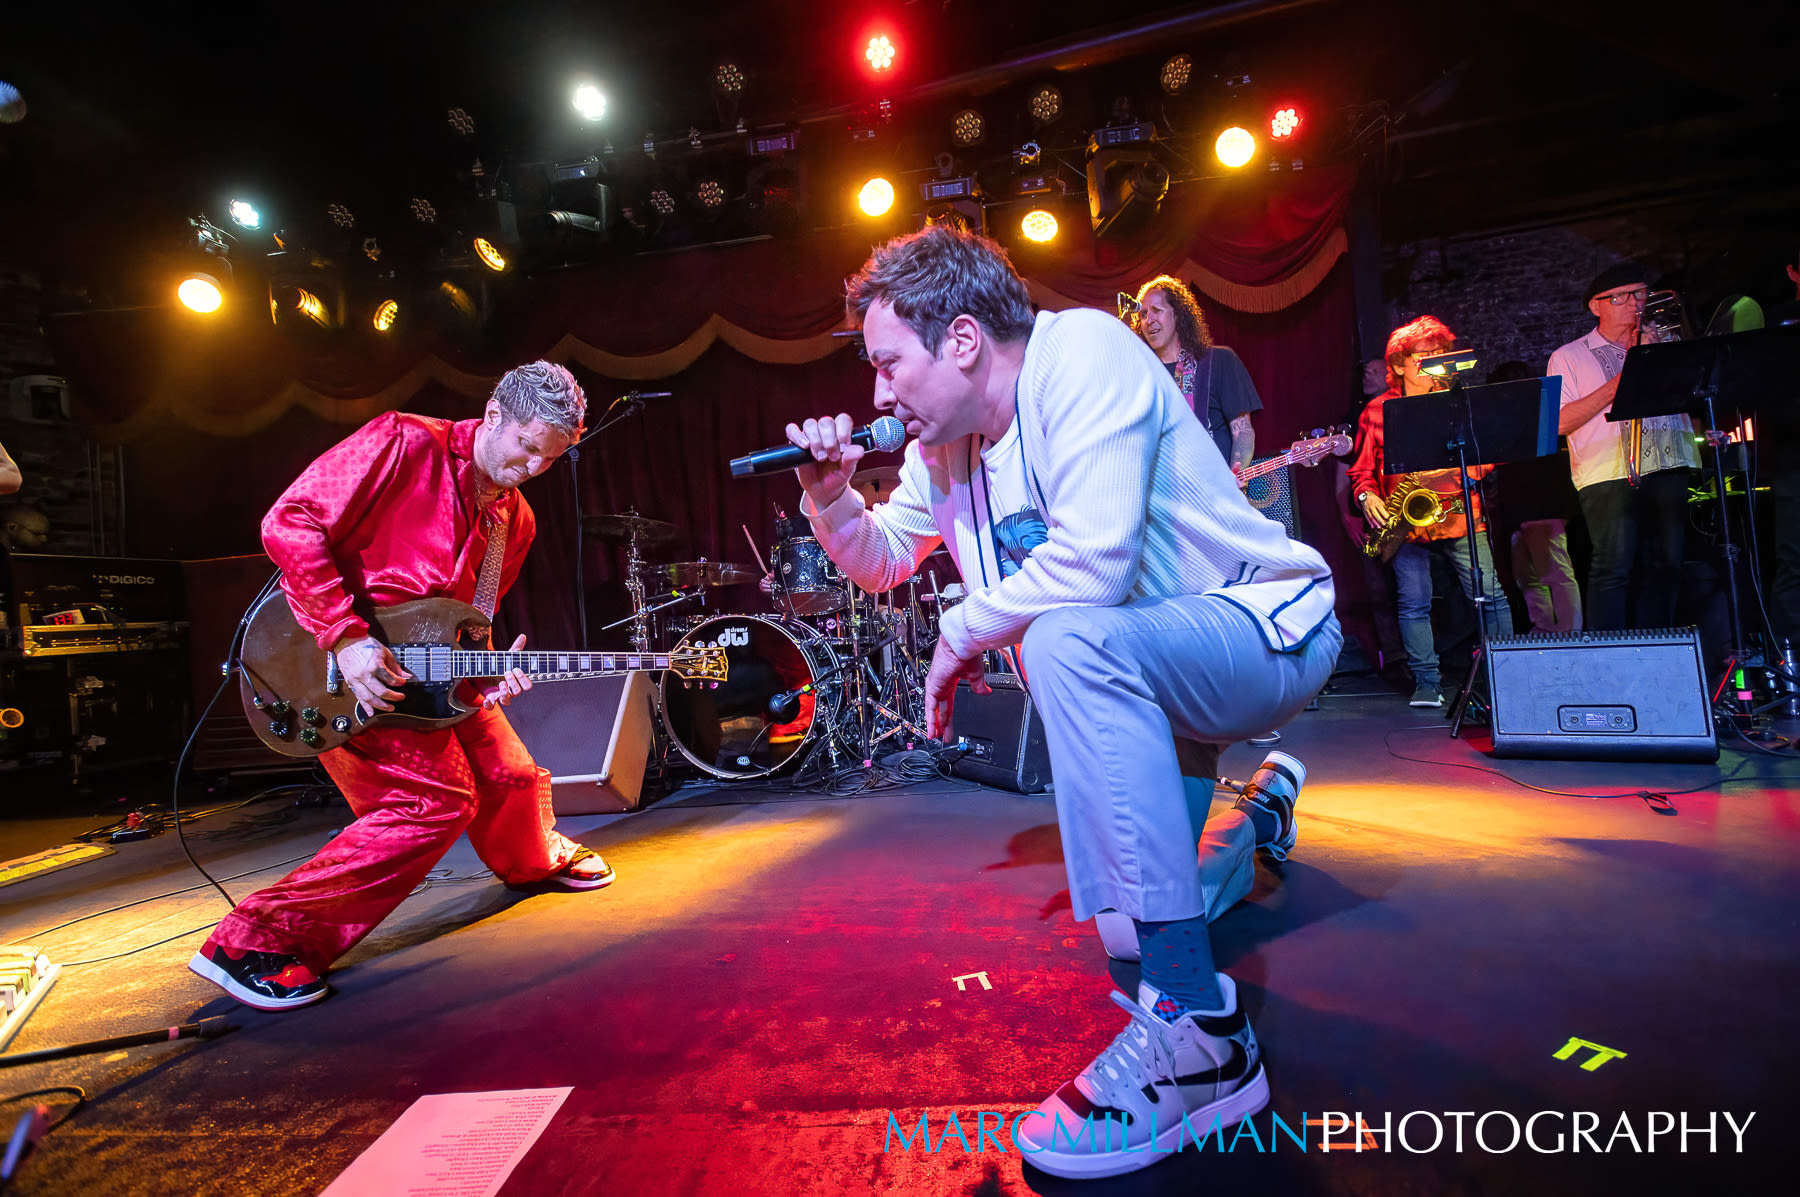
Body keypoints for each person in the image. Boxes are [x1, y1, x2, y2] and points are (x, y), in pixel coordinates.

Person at [786, 225, 1339, 1177]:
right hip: (1156, 676)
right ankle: (1260, 813)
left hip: (1259, 627)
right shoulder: (943, 451)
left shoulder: (1078, 349)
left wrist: (959, 634)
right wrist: (831, 498)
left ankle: (1202, 1036)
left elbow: (1094, 560)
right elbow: (881, 564)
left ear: (962, 341)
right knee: (1143, 909)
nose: (876, 393)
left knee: (1064, 635)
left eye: (888, 363)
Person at [188, 361, 614, 1013]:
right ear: (494, 415)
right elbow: (288, 524)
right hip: (329, 663)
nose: (531, 468)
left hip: (426, 677)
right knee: (436, 802)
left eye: (549, 459)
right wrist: (345, 635)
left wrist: (487, 668)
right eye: (527, 447)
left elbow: (468, 623)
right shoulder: (400, 441)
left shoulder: (514, 522)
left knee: (513, 776)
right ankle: (251, 942)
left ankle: (530, 860)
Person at [1347, 316, 1509, 708]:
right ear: (1399, 364)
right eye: (1425, 356)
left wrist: (1463, 470)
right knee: (1414, 602)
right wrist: (1368, 497)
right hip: (1406, 518)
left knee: (1491, 596)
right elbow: (1361, 471)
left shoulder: (1456, 401)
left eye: (1440, 354)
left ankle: (1509, 675)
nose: (1435, 362)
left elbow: (1488, 459)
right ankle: (1426, 683)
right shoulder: (1377, 410)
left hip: (1459, 512)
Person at [1547, 263, 1700, 630]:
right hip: (1608, 473)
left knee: (1668, 563)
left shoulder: (1664, 344)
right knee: (1613, 567)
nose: (1634, 304)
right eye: (1619, 297)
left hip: (1669, 462)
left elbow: (1693, 398)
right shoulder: (1570, 356)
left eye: (1640, 293)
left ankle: (1661, 647)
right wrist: (1625, 375)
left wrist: (1662, 356)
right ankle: (1610, 655)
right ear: (1595, 306)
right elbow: (1560, 422)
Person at [1128, 275, 1262, 475]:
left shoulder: (1219, 361)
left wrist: (1234, 476)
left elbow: (1242, 432)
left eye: (1157, 310)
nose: (1149, 320)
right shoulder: (1141, 378)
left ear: (1179, 315)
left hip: (1213, 492)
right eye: (1144, 314)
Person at [1486, 361, 1583, 634]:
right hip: (1520, 508)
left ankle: (1568, 633)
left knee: (1554, 571)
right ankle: (1544, 628)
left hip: (1541, 505)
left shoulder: (1540, 417)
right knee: (1527, 575)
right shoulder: (1516, 420)